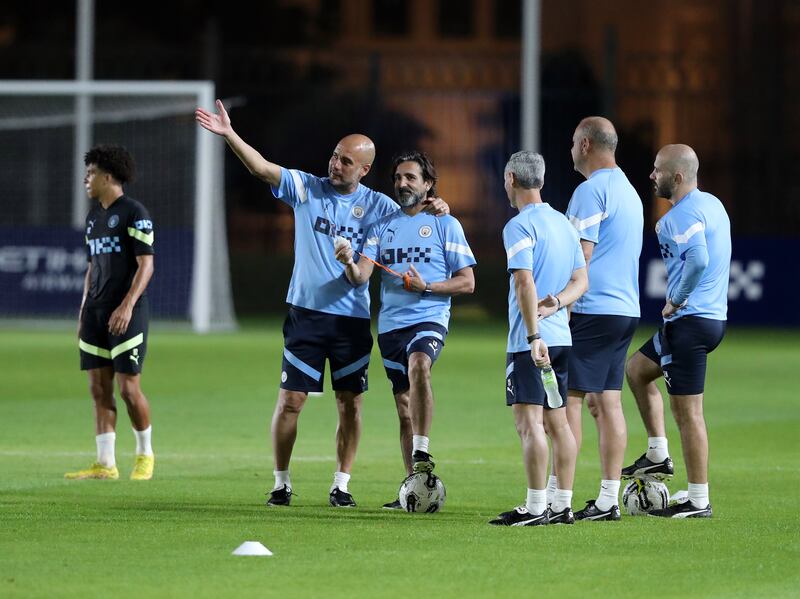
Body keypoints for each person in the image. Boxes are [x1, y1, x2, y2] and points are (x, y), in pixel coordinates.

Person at [195, 101, 448, 508]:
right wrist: (229, 135)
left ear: (364, 169)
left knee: (350, 403)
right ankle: (281, 481)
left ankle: (342, 484)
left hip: (350, 321)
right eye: (334, 156)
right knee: (290, 400)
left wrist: (439, 205)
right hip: (306, 315)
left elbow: (414, 208)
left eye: (346, 161)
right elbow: (261, 167)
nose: (336, 165)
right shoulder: (306, 187)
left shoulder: (380, 207)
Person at [334, 151, 475, 509]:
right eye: (398, 177)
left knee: (419, 365)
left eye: (411, 177)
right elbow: (361, 277)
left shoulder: (446, 223)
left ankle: (422, 451)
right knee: (402, 408)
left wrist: (426, 288)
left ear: (428, 184)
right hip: (391, 326)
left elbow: (467, 282)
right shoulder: (383, 225)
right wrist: (349, 261)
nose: (402, 183)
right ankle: (413, 485)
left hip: (428, 317)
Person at [623, 144, 730, 518]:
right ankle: (657, 453)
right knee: (636, 369)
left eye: (657, 170)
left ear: (677, 177)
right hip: (711, 319)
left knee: (688, 414)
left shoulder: (679, 218)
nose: (652, 176)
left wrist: (678, 298)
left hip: (689, 322)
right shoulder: (713, 204)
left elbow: (699, 259)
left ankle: (698, 499)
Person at [489, 151, 588, 526]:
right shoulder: (564, 224)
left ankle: (534, 508)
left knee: (528, 424)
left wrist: (533, 335)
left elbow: (523, 280)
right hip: (562, 338)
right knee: (558, 423)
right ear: (541, 181)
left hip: (532, 343)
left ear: (511, 178)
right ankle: (562, 504)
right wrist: (557, 304)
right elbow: (582, 281)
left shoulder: (519, 225)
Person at [560, 117, 643, 521]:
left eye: (575, 141)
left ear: (587, 145)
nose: (571, 147)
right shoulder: (629, 191)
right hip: (625, 309)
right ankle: (609, 497)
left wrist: (563, 306)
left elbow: (581, 256)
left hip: (592, 308)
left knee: (569, 400)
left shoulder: (590, 191)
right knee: (606, 401)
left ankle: (561, 497)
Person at [65, 144, 156, 481]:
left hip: (127, 313)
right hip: (95, 313)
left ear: (107, 176)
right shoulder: (93, 218)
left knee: (129, 389)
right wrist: (83, 309)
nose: (85, 180)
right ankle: (105, 464)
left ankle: (145, 454)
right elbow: (93, 267)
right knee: (98, 388)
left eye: (90, 174)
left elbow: (146, 264)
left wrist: (127, 305)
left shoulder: (134, 212)